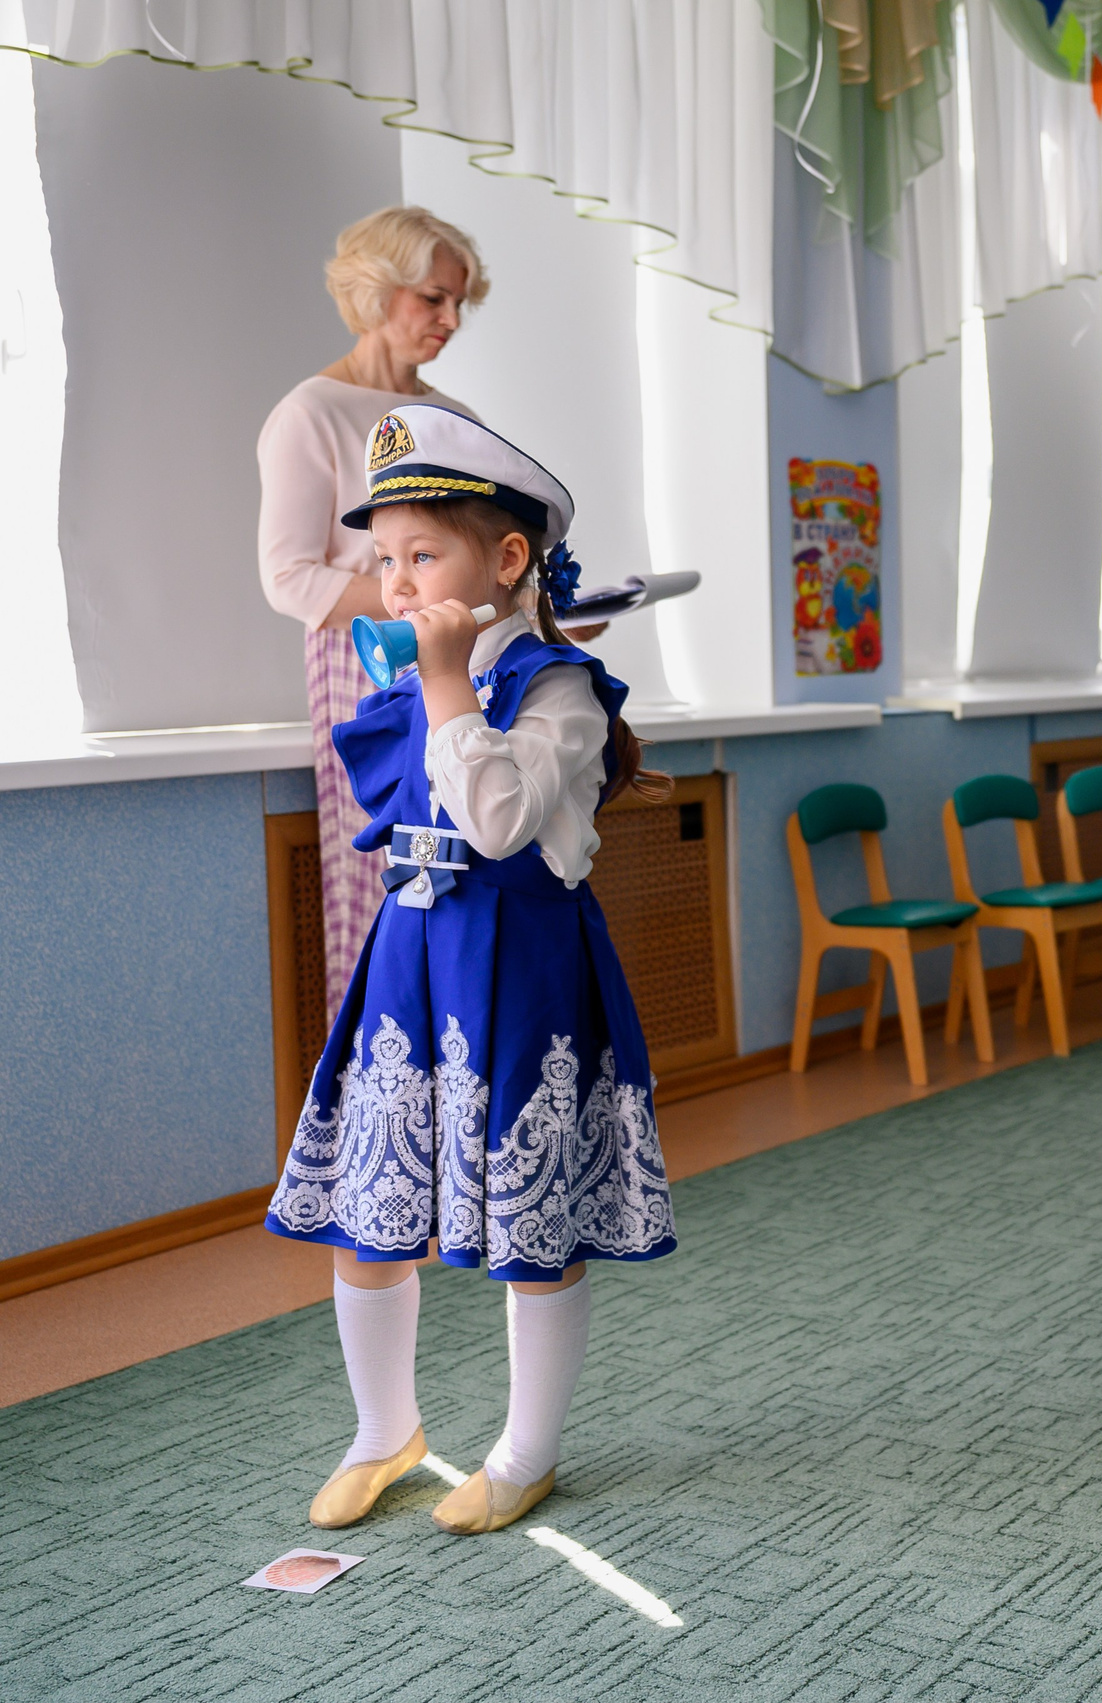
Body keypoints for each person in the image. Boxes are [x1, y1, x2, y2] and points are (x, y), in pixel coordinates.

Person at [264, 406, 677, 1536]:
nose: (397, 584)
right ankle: (381, 1430)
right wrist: (434, 675)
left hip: (524, 964)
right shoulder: (412, 678)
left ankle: (527, 1448)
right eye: (385, 559)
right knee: (371, 1208)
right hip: (412, 957)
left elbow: (496, 823)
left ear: (505, 560)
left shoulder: (560, 690)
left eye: (423, 555)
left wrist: (447, 677)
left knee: (527, 1225)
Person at [259, 207, 490, 1013]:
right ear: (378, 290)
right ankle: (381, 1097)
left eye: (459, 301)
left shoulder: (455, 422)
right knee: (387, 880)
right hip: (366, 668)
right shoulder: (311, 413)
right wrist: (417, 604)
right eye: (433, 298)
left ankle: (465, 1076)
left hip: (468, 663)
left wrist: (528, 607)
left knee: (472, 859)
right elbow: (290, 577)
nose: (451, 320)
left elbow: (484, 551)